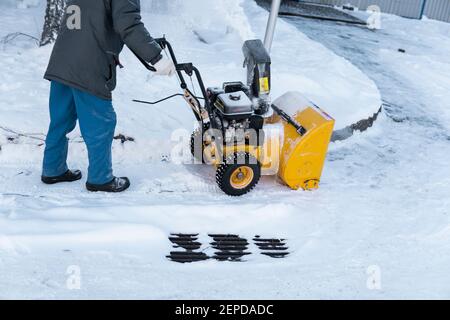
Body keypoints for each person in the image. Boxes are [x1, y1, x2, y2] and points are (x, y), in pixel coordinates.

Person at [41, 0, 175, 192]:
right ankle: (100, 178)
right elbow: (128, 24)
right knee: (100, 123)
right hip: (88, 64)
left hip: (62, 59)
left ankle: (53, 169)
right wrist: (156, 56)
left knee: (60, 119)